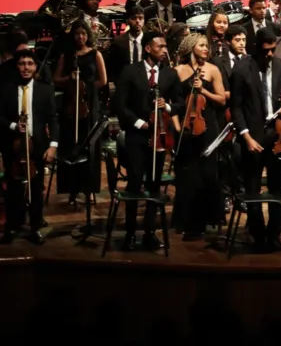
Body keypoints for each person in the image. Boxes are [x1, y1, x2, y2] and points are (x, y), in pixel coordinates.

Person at [113, 32, 181, 251]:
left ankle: (150, 232)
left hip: (159, 136)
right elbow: (120, 105)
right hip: (137, 136)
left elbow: (180, 101)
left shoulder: (170, 74)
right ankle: (131, 232)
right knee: (134, 183)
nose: (164, 50)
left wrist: (168, 107)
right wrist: (139, 123)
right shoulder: (130, 71)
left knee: (154, 185)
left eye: (165, 46)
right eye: (160, 46)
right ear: (147, 49)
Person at [229, 27, 281, 251]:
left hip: (277, 136)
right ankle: (257, 234)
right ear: (256, 47)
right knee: (252, 186)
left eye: (273, 50)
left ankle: (274, 233)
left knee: (278, 186)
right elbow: (235, 108)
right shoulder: (241, 69)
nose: (269, 55)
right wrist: (245, 136)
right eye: (266, 50)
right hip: (252, 136)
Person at [170, 34, 227, 240]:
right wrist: (177, 128)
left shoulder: (212, 70)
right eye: (202, 45)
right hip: (185, 128)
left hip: (208, 126)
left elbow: (221, 100)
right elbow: (174, 104)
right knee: (188, 177)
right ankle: (188, 223)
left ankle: (208, 220)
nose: (206, 49)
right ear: (191, 47)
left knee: (208, 175)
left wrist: (203, 90)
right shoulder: (177, 71)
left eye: (207, 46)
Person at [0, 49, 58, 245]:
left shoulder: (45, 89)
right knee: (13, 188)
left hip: (38, 146)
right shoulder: (6, 88)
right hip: (12, 146)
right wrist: (13, 126)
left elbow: (53, 119)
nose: (25, 67)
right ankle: (12, 226)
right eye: (22, 64)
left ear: (35, 67)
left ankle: (35, 227)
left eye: (29, 64)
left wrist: (53, 146)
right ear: (17, 67)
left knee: (36, 187)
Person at [53, 21, 107, 203]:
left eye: (84, 33)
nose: (80, 37)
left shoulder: (95, 54)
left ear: (88, 35)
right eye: (77, 34)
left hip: (89, 105)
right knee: (70, 145)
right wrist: (70, 79)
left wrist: (85, 88)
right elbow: (56, 79)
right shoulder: (66, 56)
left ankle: (89, 189)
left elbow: (103, 80)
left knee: (89, 147)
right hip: (70, 105)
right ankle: (72, 189)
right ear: (73, 35)